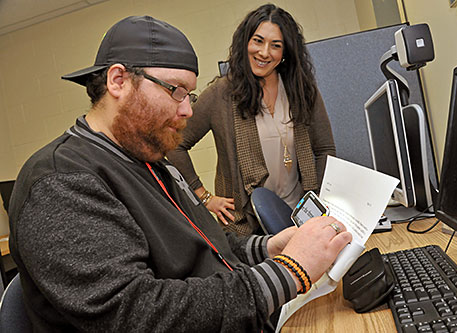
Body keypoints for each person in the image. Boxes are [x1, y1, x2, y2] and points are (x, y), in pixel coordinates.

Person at [8, 15, 351, 332]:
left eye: (190, 94)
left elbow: (204, 244)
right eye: (175, 91)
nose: (187, 109)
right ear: (118, 81)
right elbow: (138, 316)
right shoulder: (60, 182)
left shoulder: (150, 160)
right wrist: (290, 271)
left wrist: (267, 248)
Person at [166, 4, 336, 236]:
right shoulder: (222, 93)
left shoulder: (302, 90)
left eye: (275, 45)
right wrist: (203, 195)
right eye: (258, 41)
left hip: (300, 218)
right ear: (245, 42)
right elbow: (176, 142)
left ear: (285, 52)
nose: (264, 52)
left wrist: (318, 200)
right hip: (246, 225)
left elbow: (325, 149)